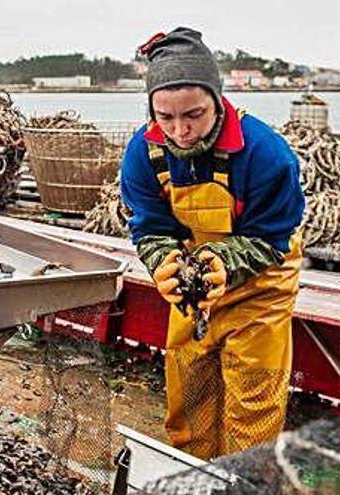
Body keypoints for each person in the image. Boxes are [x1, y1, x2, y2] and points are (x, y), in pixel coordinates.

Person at [120, 27, 305, 459]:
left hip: (261, 293)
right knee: (188, 407)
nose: (181, 131)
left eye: (194, 115)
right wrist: (164, 263)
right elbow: (149, 226)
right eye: (165, 118)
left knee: (253, 415)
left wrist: (223, 259)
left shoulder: (266, 153)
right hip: (193, 294)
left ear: (218, 101)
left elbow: (273, 236)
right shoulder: (143, 154)